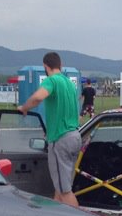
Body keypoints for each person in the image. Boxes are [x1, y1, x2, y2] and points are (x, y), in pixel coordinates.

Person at [18, 51, 82, 207]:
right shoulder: (69, 84)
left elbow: (38, 97)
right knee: (60, 188)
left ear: (45, 67)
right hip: (75, 136)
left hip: (60, 138)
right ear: (61, 65)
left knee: (65, 192)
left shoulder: (52, 81)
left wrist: (24, 108)